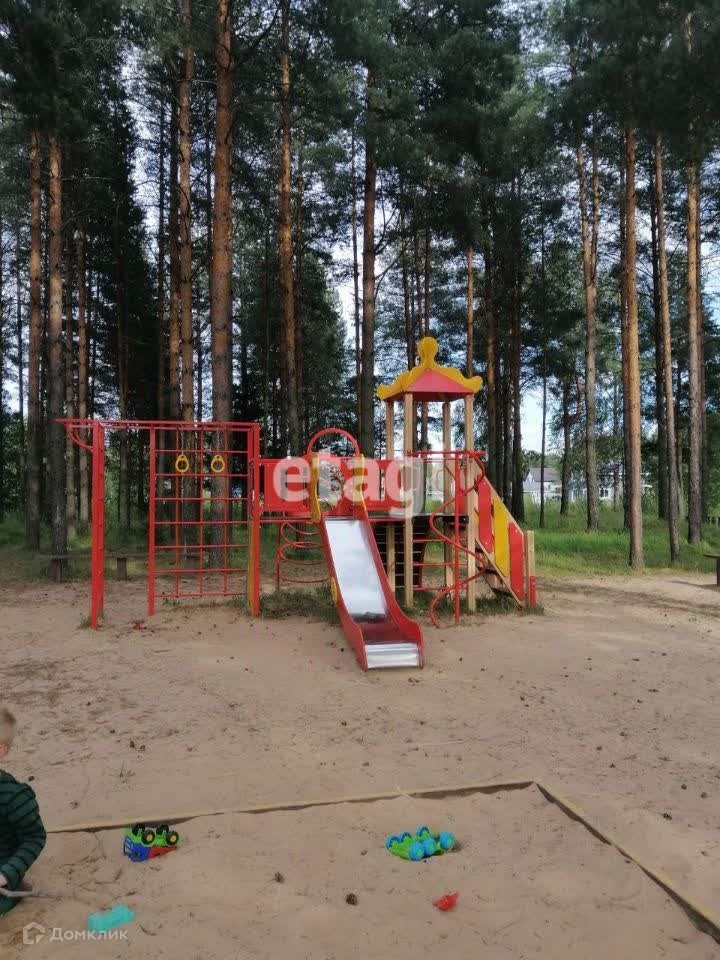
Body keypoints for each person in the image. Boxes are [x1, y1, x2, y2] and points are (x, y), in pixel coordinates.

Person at [0, 708, 46, 915]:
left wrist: (6, 874)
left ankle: (15, 887)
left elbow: (34, 838)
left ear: (1, 750)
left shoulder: (14, 796)